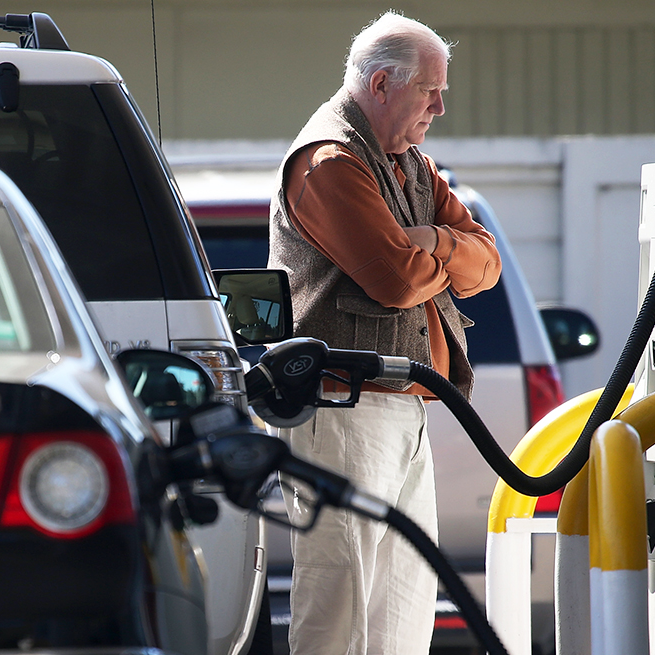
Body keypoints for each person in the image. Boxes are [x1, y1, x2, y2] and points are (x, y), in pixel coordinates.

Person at [267, 11, 503, 655]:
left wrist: (432, 241)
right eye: (430, 90)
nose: (441, 107)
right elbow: (396, 281)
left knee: (403, 602)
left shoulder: (412, 166)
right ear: (380, 84)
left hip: (400, 405)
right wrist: (444, 254)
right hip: (342, 409)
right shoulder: (328, 162)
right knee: (340, 597)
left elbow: (488, 265)